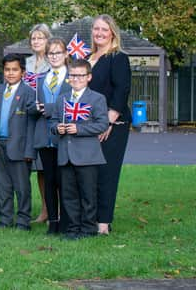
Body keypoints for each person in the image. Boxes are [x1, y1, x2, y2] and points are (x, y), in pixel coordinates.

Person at [52, 59, 109, 240]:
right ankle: (72, 228)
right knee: (68, 195)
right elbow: (53, 121)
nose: (76, 79)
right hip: (66, 155)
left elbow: (102, 124)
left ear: (89, 77)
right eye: (72, 75)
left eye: (80, 75)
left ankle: (88, 229)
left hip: (87, 156)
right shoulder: (62, 99)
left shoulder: (97, 98)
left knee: (88, 194)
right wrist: (57, 128)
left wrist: (80, 129)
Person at [87, 14, 131, 235]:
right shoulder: (89, 57)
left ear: (112, 32)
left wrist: (107, 122)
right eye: (96, 29)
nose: (100, 33)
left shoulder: (118, 57)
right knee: (90, 172)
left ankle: (103, 223)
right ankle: (90, 217)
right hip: (90, 124)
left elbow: (121, 90)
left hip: (112, 124)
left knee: (106, 172)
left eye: (104, 29)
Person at [0, 53, 38, 230]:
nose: (10, 73)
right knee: (3, 186)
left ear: (23, 72)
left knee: (22, 187)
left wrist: (29, 151)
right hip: (0, 145)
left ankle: (23, 220)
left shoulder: (29, 93)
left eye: (15, 70)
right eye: (7, 70)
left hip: (19, 147)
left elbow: (31, 124)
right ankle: (5, 219)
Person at [34, 37, 71, 234]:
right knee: (49, 180)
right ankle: (52, 221)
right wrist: (34, 108)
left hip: (63, 136)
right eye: (51, 53)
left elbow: (72, 105)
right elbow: (34, 105)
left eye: (58, 52)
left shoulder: (72, 78)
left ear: (65, 54)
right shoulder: (41, 79)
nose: (54, 56)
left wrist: (47, 108)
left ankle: (65, 220)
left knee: (63, 179)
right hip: (44, 136)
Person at [26, 23, 52, 224]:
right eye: (34, 38)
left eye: (40, 38)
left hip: (47, 118)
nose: (36, 41)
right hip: (29, 119)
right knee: (38, 168)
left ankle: (55, 208)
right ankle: (44, 209)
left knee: (49, 166)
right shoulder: (26, 63)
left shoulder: (54, 63)